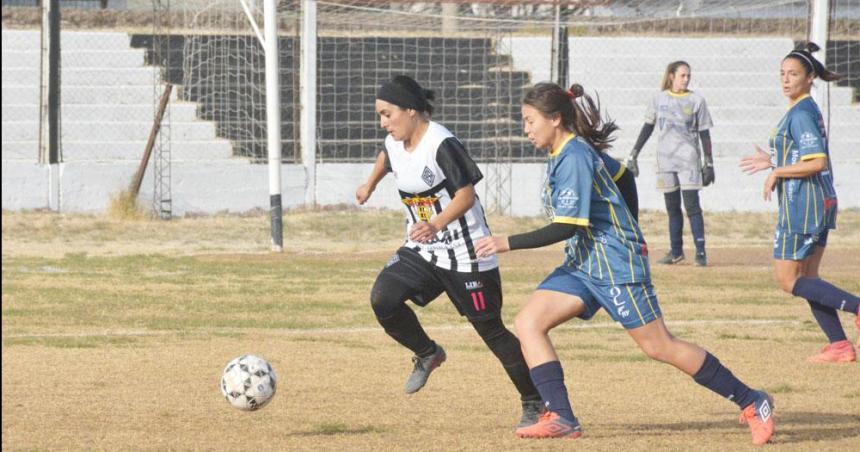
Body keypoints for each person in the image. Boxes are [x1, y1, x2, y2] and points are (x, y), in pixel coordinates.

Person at [475, 82, 775, 445]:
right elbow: (623, 176)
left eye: (529, 120)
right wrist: (626, 221)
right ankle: (562, 417)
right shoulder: (565, 152)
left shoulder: (574, 155)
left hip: (616, 265)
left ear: (555, 119)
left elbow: (567, 225)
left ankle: (752, 400)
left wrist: (506, 243)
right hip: (584, 263)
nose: (525, 129)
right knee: (528, 323)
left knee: (658, 346)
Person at [355, 75, 544, 428]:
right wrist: (369, 183)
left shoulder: (441, 143)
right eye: (380, 115)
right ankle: (427, 353)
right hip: (424, 249)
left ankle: (534, 401)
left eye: (387, 114)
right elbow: (386, 157)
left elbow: (466, 196)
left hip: (467, 251)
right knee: (384, 298)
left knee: (491, 331)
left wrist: (436, 224)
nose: (383, 122)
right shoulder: (394, 141)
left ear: (411, 111)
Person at [740, 43, 860, 363]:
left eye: (793, 74)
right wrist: (774, 160)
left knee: (788, 280)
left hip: (804, 205)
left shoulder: (802, 112)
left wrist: (777, 170)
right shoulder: (801, 110)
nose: (785, 79)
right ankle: (839, 345)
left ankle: (858, 308)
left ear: (809, 78)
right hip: (817, 201)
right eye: (782, 73)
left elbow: (817, 160)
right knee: (809, 279)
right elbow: (803, 154)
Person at [625, 61, 714, 266]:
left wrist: (708, 163)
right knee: (672, 207)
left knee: (692, 206)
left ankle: (700, 252)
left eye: (688, 76)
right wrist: (634, 154)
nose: (686, 79)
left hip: (688, 161)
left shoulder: (696, 100)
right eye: (682, 75)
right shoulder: (659, 99)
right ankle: (676, 251)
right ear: (671, 76)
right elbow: (647, 127)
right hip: (665, 160)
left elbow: (705, 134)